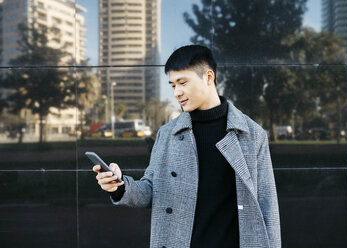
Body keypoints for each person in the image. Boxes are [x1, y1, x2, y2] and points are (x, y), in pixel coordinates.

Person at [93, 45, 281, 248]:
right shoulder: (168, 134)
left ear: (209, 77)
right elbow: (150, 190)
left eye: (183, 83)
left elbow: (267, 206)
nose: (177, 92)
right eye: (173, 85)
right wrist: (119, 187)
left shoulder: (251, 134)